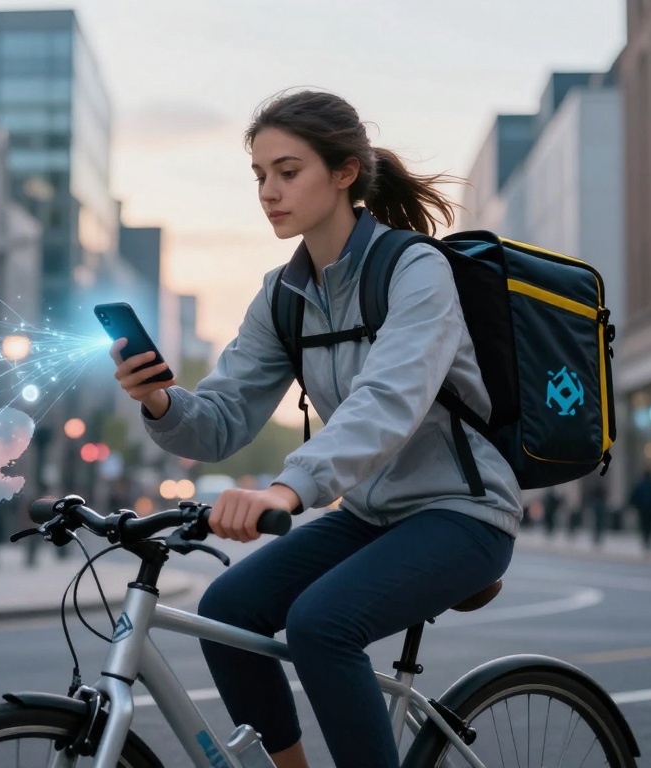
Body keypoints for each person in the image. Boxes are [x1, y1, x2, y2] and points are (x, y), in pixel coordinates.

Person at [108, 90, 520, 768]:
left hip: (463, 512)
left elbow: (388, 401)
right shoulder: (283, 295)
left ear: (345, 172)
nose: (269, 191)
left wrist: (287, 489)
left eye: (288, 171)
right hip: (370, 516)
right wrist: (159, 402)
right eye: (260, 175)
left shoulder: (416, 269)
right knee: (229, 610)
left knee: (321, 624)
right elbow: (219, 422)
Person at [629, 469, 651, 555]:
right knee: (650, 525)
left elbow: (634, 496)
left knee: (644, 525)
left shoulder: (640, 485)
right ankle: (648, 540)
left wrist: (634, 505)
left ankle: (645, 540)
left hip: (642, 509)